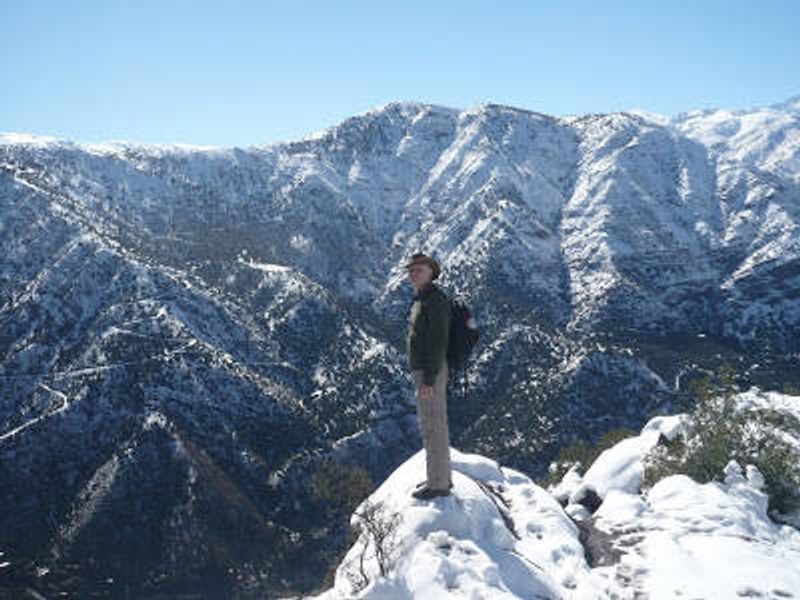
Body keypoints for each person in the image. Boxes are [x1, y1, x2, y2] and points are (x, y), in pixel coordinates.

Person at [404, 252, 453, 499]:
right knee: (435, 424)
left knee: (432, 425)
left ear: (432, 272)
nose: (413, 273)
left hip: (429, 371)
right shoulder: (423, 299)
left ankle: (438, 486)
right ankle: (441, 477)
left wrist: (429, 380)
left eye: (419, 269)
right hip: (426, 370)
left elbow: (437, 342)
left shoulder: (434, 301)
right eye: (411, 270)